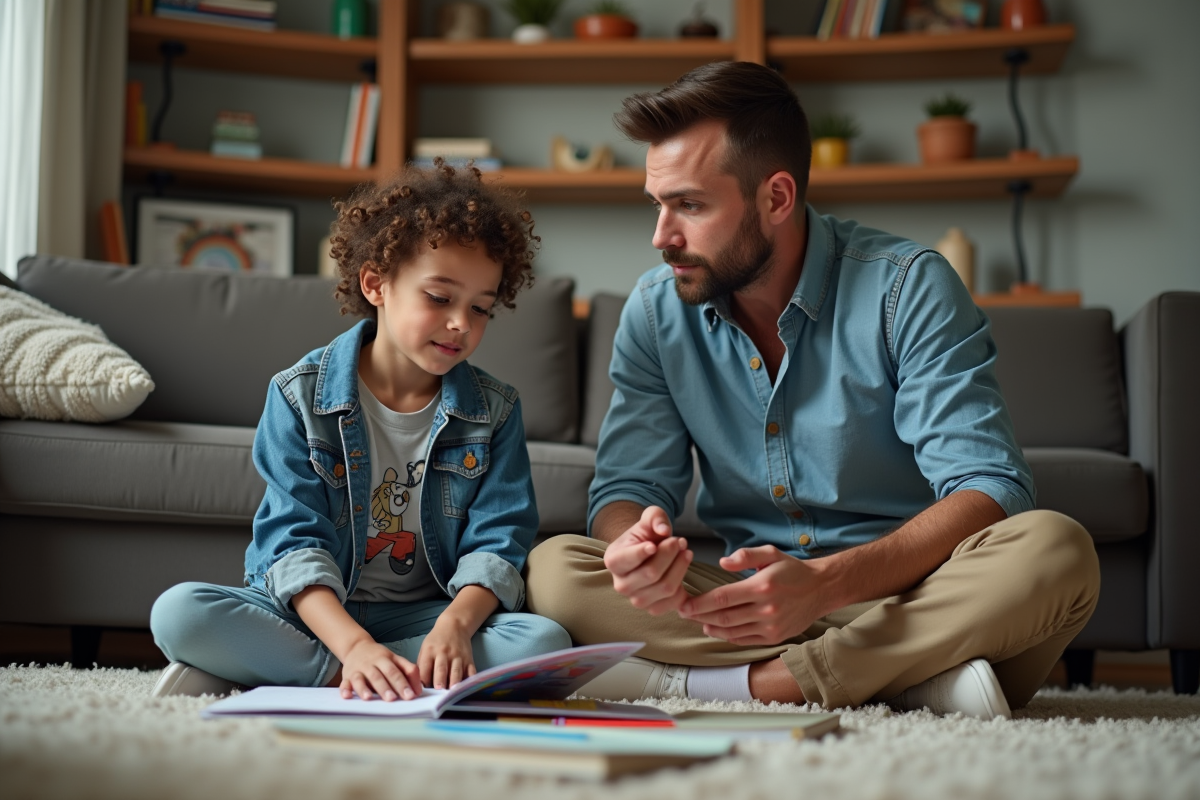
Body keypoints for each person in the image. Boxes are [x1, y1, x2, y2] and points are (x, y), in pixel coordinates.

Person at [524, 62, 1100, 720]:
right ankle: (913, 679)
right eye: (657, 205)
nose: (662, 237)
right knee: (556, 572)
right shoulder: (655, 314)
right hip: (755, 610)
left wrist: (824, 587)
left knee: (1056, 550)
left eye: (690, 205)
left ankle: (745, 686)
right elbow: (627, 487)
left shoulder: (907, 287)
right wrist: (634, 547)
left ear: (776, 198)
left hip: (910, 595)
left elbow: (989, 487)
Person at [151, 162, 571, 699]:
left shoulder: (496, 411)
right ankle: (363, 672)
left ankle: (304, 670)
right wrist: (352, 646)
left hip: (427, 616)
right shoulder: (297, 396)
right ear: (376, 283)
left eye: (481, 308)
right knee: (180, 612)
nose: (461, 324)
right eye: (439, 297)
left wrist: (454, 627)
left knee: (544, 641)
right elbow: (292, 543)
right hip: (318, 615)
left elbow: (498, 542)